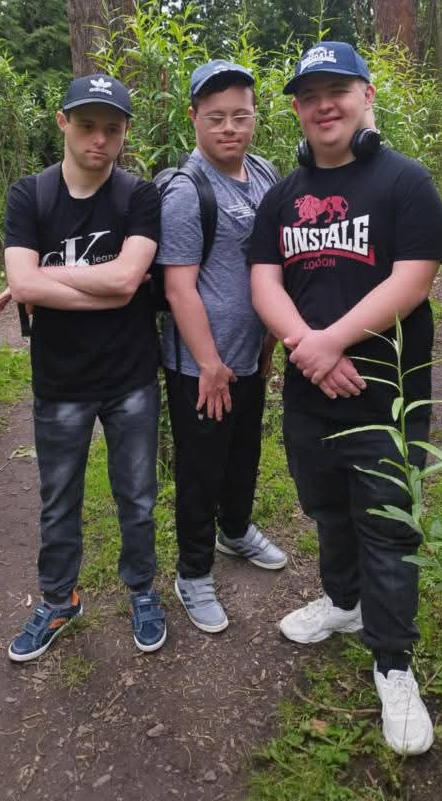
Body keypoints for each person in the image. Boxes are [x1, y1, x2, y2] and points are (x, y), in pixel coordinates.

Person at [248, 41, 442, 755]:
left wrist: (327, 342)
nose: (323, 106)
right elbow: (265, 280)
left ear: (366, 95)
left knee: (388, 531)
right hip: (310, 397)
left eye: (336, 90)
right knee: (327, 509)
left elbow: (413, 278)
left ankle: (393, 663)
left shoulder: (405, 182)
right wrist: (307, 346)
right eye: (308, 97)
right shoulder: (282, 196)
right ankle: (342, 602)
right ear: (297, 112)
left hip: (385, 399)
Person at [0, 73, 166, 660]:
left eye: (112, 129)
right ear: (63, 123)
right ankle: (59, 598)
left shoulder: (139, 197)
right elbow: (29, 285)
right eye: (88, 125)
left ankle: (141, 589)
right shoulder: (30, 196)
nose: (100, 139)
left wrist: (42, 279)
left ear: (125, 133)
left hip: (131, 377)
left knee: (137, 497)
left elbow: (126, 280)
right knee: (58, 499)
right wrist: (36, 285)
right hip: (60, 380)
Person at [158, 60, 287, 634]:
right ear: (193, 118)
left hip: (249, 354)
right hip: (200, 365)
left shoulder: (264, 173)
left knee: (244, 453)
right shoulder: (188, 192)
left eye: (240, 115)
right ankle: (193, 572)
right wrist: (209, 363)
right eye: (216, 118)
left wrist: (268, 342)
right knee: (200, 468)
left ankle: (234, 530)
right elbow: (179, 288)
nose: (230, 128)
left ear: (255, 116)